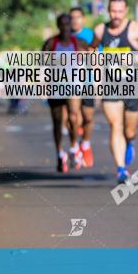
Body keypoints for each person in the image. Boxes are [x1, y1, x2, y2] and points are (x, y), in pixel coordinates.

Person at [91, 0, 138, 184]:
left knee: (130, 130)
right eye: (113, 11)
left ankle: (130, 142)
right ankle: (121, 169)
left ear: (126, 11)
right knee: (115, 126)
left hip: (132, 85)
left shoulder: (135, 30)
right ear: (108, 10)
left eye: (120, 11)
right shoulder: (100, 30)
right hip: (110, 85)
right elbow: (92, 50)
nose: (116, 15)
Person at [42, 13, 90, 173]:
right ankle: (59, 153)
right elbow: (43, 66)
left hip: (73, 84)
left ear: (71, 25)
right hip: (56, 84)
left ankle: (73, 146)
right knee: (57, 122)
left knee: (74, 115)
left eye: (68, 24)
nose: (65, 27)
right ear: (58, 26)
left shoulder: (79, 43)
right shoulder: (50, 43)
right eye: (62, 24)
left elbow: (91, 60)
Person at [70, 6, 97, 167]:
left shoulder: (90, 35)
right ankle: (75, 150)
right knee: (73, 117)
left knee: (88, 118)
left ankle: (85, 144)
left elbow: (97, 58)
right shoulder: (64, 37)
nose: (75, 20)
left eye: (78, 17)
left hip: (87, 82)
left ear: (83, 19)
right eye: (72, 17)